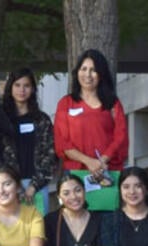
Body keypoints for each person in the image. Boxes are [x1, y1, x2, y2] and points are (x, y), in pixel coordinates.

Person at [54, 50, 128, 183]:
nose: (88, 74)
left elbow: (120, 137)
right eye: (84, 69)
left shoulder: (113, 103)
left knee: (107, 205)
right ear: (77, 72)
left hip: (107, 171)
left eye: (93, 70)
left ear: (101, 74)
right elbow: (62, 142)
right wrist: (89, 162)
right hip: (75, 173)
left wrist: (101, 161)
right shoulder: (66, 103)